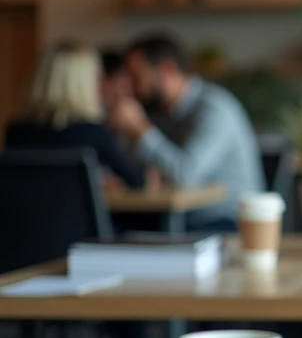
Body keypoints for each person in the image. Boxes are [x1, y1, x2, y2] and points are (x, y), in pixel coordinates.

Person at [108, 32, 263, 230]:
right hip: (176, 217)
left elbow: (185, 175)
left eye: (137, 77)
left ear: (167, 70)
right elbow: (138, 170)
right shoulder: (158, 112)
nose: (132, 88)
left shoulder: (214, 110)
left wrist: (140, 130)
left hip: (225, 221)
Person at [5, 41, 144, 189]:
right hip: (79, 212)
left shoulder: (15, 132)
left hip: (24, 212)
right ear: (83, 84)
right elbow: (137, 181)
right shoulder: (93, 133)